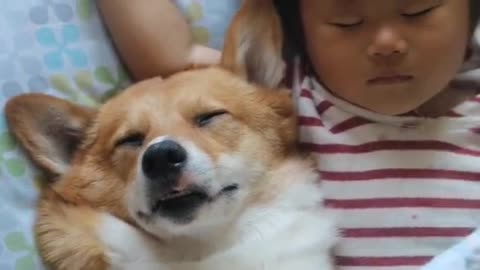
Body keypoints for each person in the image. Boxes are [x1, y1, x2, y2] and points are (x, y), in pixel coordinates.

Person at [99, 1, 480, 269]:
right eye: (347, 22)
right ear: (301, 33)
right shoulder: (284, 96)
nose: (386, 42)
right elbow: (166, 54)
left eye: (418, 11)